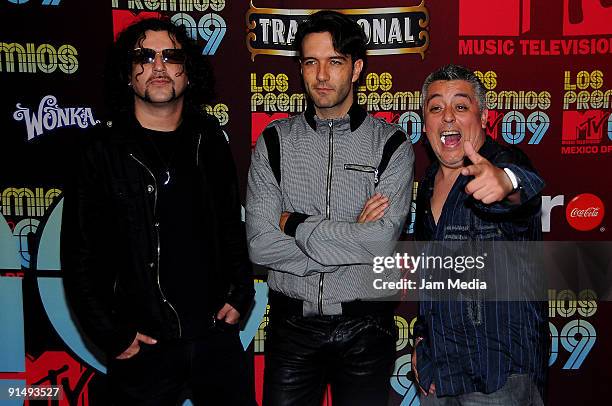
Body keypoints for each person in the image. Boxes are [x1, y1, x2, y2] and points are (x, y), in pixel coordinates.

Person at [61, 18, 255, 405]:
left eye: (171, 56)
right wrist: (113, 335)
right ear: (128, 73)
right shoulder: (101, 151)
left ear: (189, 71)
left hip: (215, 339)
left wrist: (240, 292)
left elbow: (232, 230)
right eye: (144, 57)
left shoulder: (210, 140)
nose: (159, 66)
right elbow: (78, 256)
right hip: (144, 347)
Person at [246, 10, 415, 406]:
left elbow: (379, 244)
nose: (322, 75)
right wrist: (348, 238)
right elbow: (260, 246)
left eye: (334, 61)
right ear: (301, 68)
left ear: (356, 69)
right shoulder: (273, 141)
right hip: (291, 326)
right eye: (311, 62)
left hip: (366, 328)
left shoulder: (391, 144)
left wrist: (297, 225)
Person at [412, 64, 548, 405]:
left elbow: (522, 188)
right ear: (424, 122)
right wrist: (420, 337)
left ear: (484, 116)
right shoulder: (427, 181)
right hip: (439, 371)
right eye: (436, 107)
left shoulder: (504, 160)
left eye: (461, 106)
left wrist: (505, 183)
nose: (447, 118)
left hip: (498, 373)